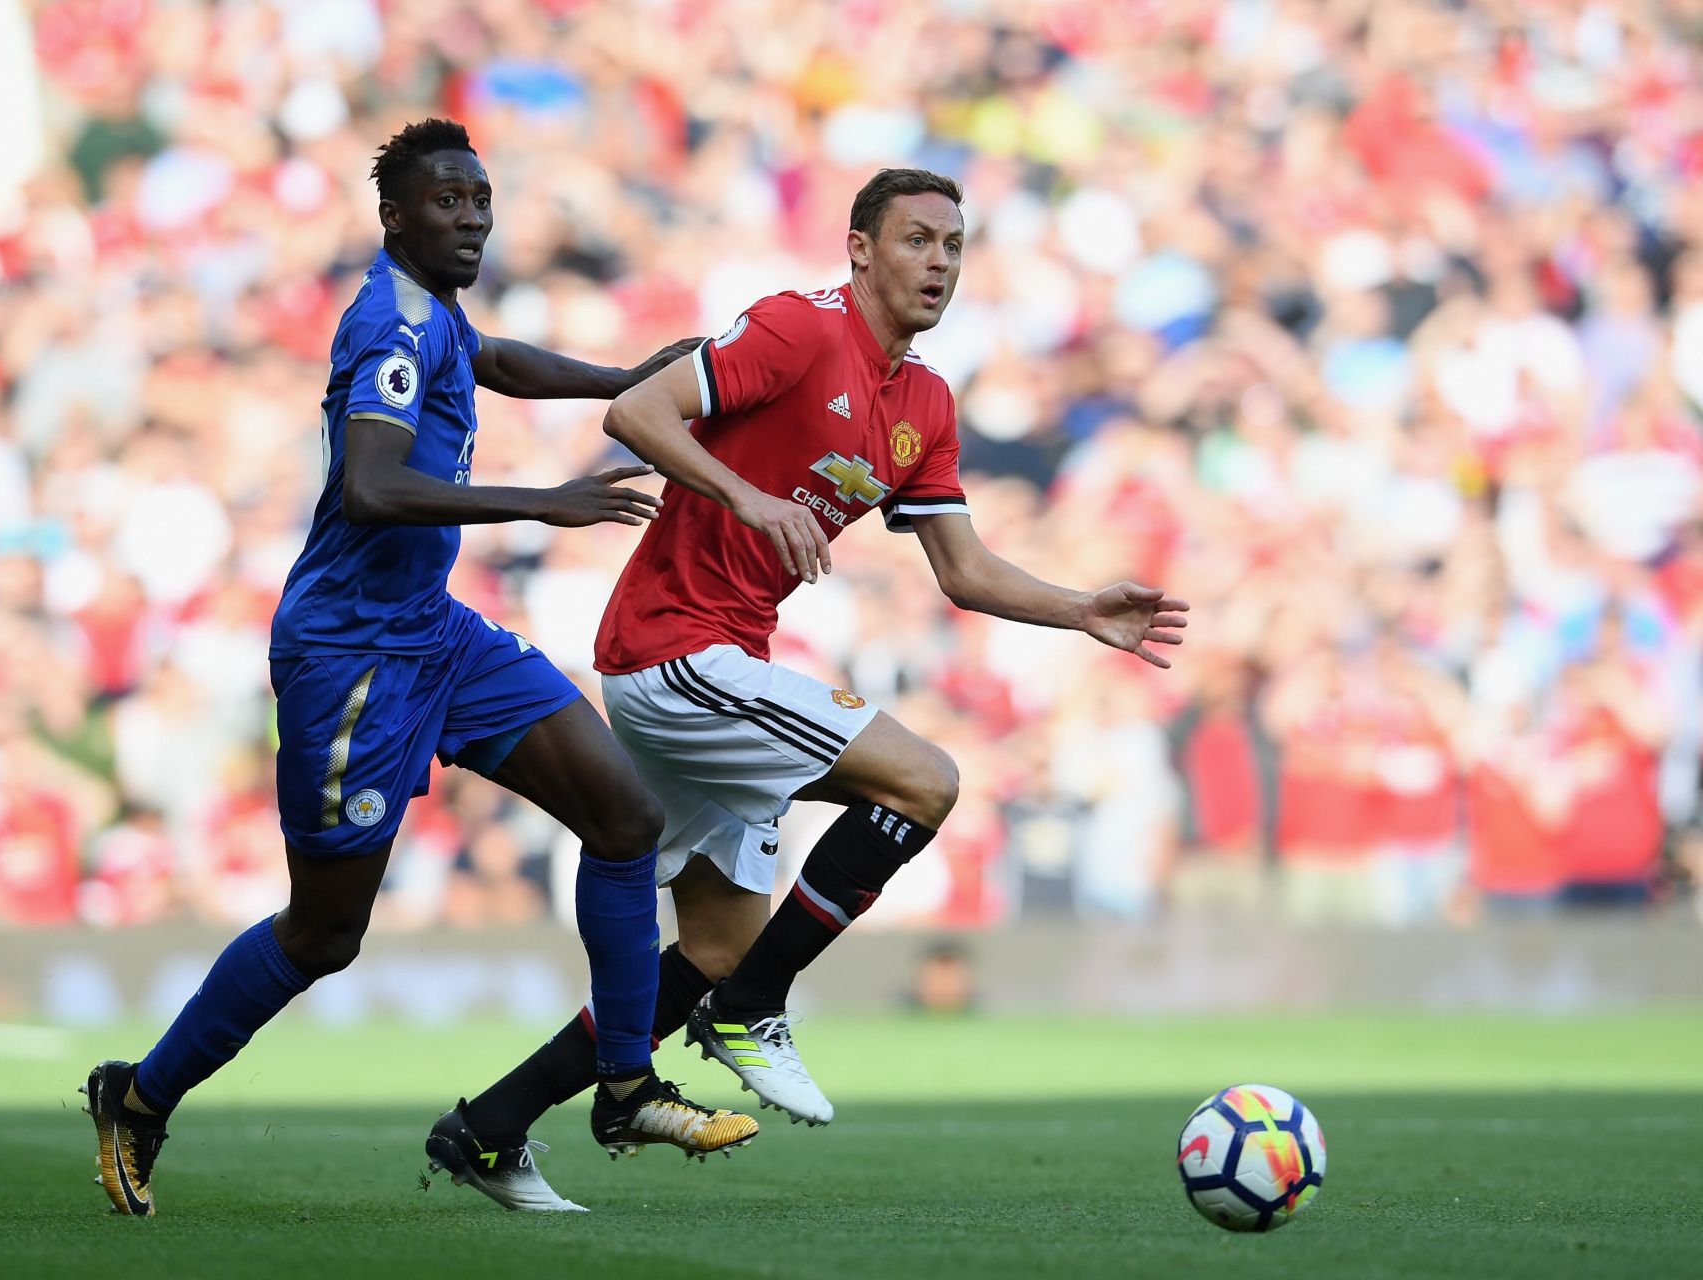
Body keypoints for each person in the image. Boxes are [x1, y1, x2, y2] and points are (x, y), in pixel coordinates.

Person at [439, 167, 1188, 1206]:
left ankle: (489, 1124)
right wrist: (747, 496)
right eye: (918, 239)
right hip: (673, 649)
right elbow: (636, 409)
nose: (938, 262)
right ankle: (757, 1005)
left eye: (953, 247)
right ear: (861, 249)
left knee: (706, 946)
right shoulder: (798, 328)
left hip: (728, 658)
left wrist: (1079, 609)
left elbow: (962, 571)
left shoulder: (924, 401)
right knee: (924, 780)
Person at [81, 118, 756, 1220]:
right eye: (448, 202)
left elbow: (494, 359)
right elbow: (373, 488)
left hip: (434, 632)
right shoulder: (386, 319)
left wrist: (621, 380)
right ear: (394, 215)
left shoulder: (435, 311)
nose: (472, 218)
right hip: (350, 657)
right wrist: (547, 501)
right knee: (323, 934)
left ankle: (624, 1081)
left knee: (625, 818)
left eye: (481, 202)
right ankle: (140, 1094)